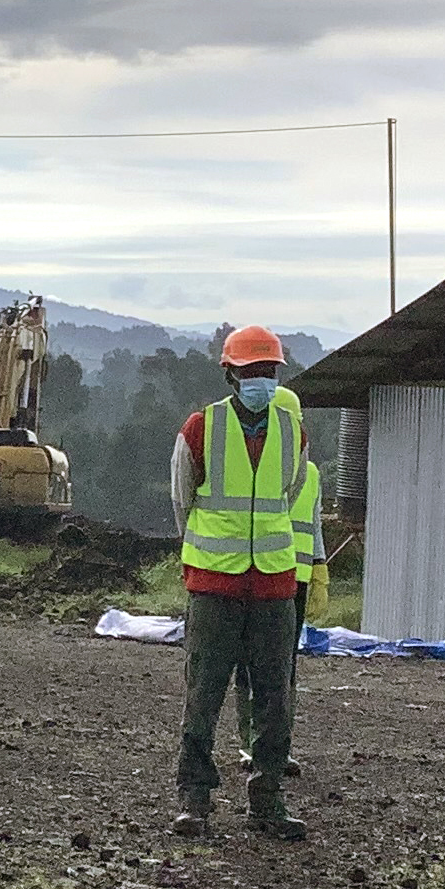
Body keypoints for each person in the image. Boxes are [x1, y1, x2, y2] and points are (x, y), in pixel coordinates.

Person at [170, 325, 314, 840]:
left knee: (276, 696)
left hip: (275, 583)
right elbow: (183, 501)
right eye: (253, 372)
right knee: (203, 693)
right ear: (231, 375)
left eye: (269, 372)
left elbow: (289, 490)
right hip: (214, 585)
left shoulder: (291, 430)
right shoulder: (199, 428)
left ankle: (267, 797)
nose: (262, 380)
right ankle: (195, 798)